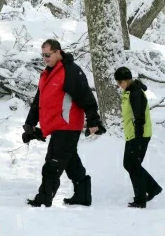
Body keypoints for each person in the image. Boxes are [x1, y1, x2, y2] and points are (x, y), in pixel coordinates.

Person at [23, 39, 104, 208]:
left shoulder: (70, 71)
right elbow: (39, 101)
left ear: (58, 52)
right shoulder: (47, 73)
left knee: (53, 163)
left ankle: (44, 199)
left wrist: (93, 121)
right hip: (56, 125)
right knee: (70, 161)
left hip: (68, 126)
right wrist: (30, 124)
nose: (45, 58)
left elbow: (85, 96)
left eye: (48, 55)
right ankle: (82, 195)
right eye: (43, 55)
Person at [114, 67, 162, 208]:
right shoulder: (129, 92)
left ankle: (141, 199)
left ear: (127, 80)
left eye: (120, 82)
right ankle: (152, 188)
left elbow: (139, 116)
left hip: (139, 135)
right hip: (132, 134)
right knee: (130, 164)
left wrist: (138, 137)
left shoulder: (135, 93)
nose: (119, 85)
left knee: (132, 165)